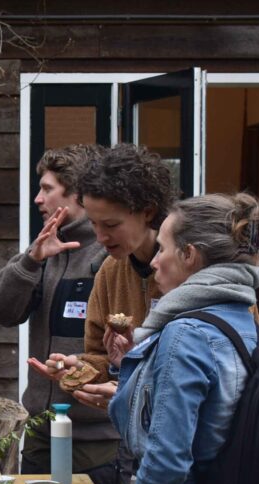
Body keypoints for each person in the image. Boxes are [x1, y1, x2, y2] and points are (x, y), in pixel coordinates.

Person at [90, 193, 259, 484]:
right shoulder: (246, 325)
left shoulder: (185, 333)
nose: (154, 261)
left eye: (165, 249)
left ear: (189, 256)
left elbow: (167, 459)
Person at [0, 144, 115, 484]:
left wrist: (80, 372)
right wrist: (31, 261)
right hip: (42, 432)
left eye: (47, 189)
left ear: (76, 193)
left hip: (101, 440)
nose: (38, 198)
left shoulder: (110, 254)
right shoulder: (46, 248)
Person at [35, 143, 177, 409]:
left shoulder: (194, 269)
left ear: (148, 211)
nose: (100, 238)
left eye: (111, 225)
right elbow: (102, 358)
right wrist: (80, 367)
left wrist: (134, 387)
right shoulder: (110, 270)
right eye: (93, 223)